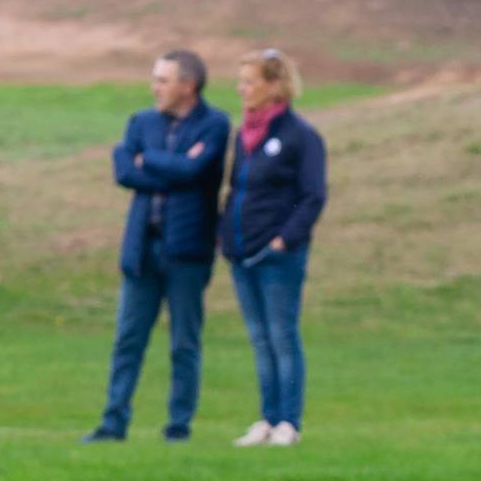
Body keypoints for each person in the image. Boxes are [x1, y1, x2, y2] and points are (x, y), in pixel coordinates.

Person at [84, 49, 226, 444]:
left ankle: (178, 427)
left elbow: (197, 171)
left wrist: (151, 161)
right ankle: (113, 423)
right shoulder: (141, 122)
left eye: (164, 80)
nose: (155, 87)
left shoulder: (214, 125)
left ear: (188, 86)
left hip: (187, 252)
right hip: (142, 250)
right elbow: (125, 171)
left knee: (184, 342)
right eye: (155, 79)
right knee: (128, 340)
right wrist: (172, 167)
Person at [221, 48, 325, 447]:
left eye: (249, 82)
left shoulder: (300, 136)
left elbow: (313, 195)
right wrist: (225, 232)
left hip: (278, 255)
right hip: (242, 251)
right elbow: (237, 189)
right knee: (259, 338)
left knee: (282, 335)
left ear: (274, 86)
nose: (241, 89)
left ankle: (288, 423)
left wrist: (286, 238)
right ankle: (266, 419)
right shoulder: (244, 135)